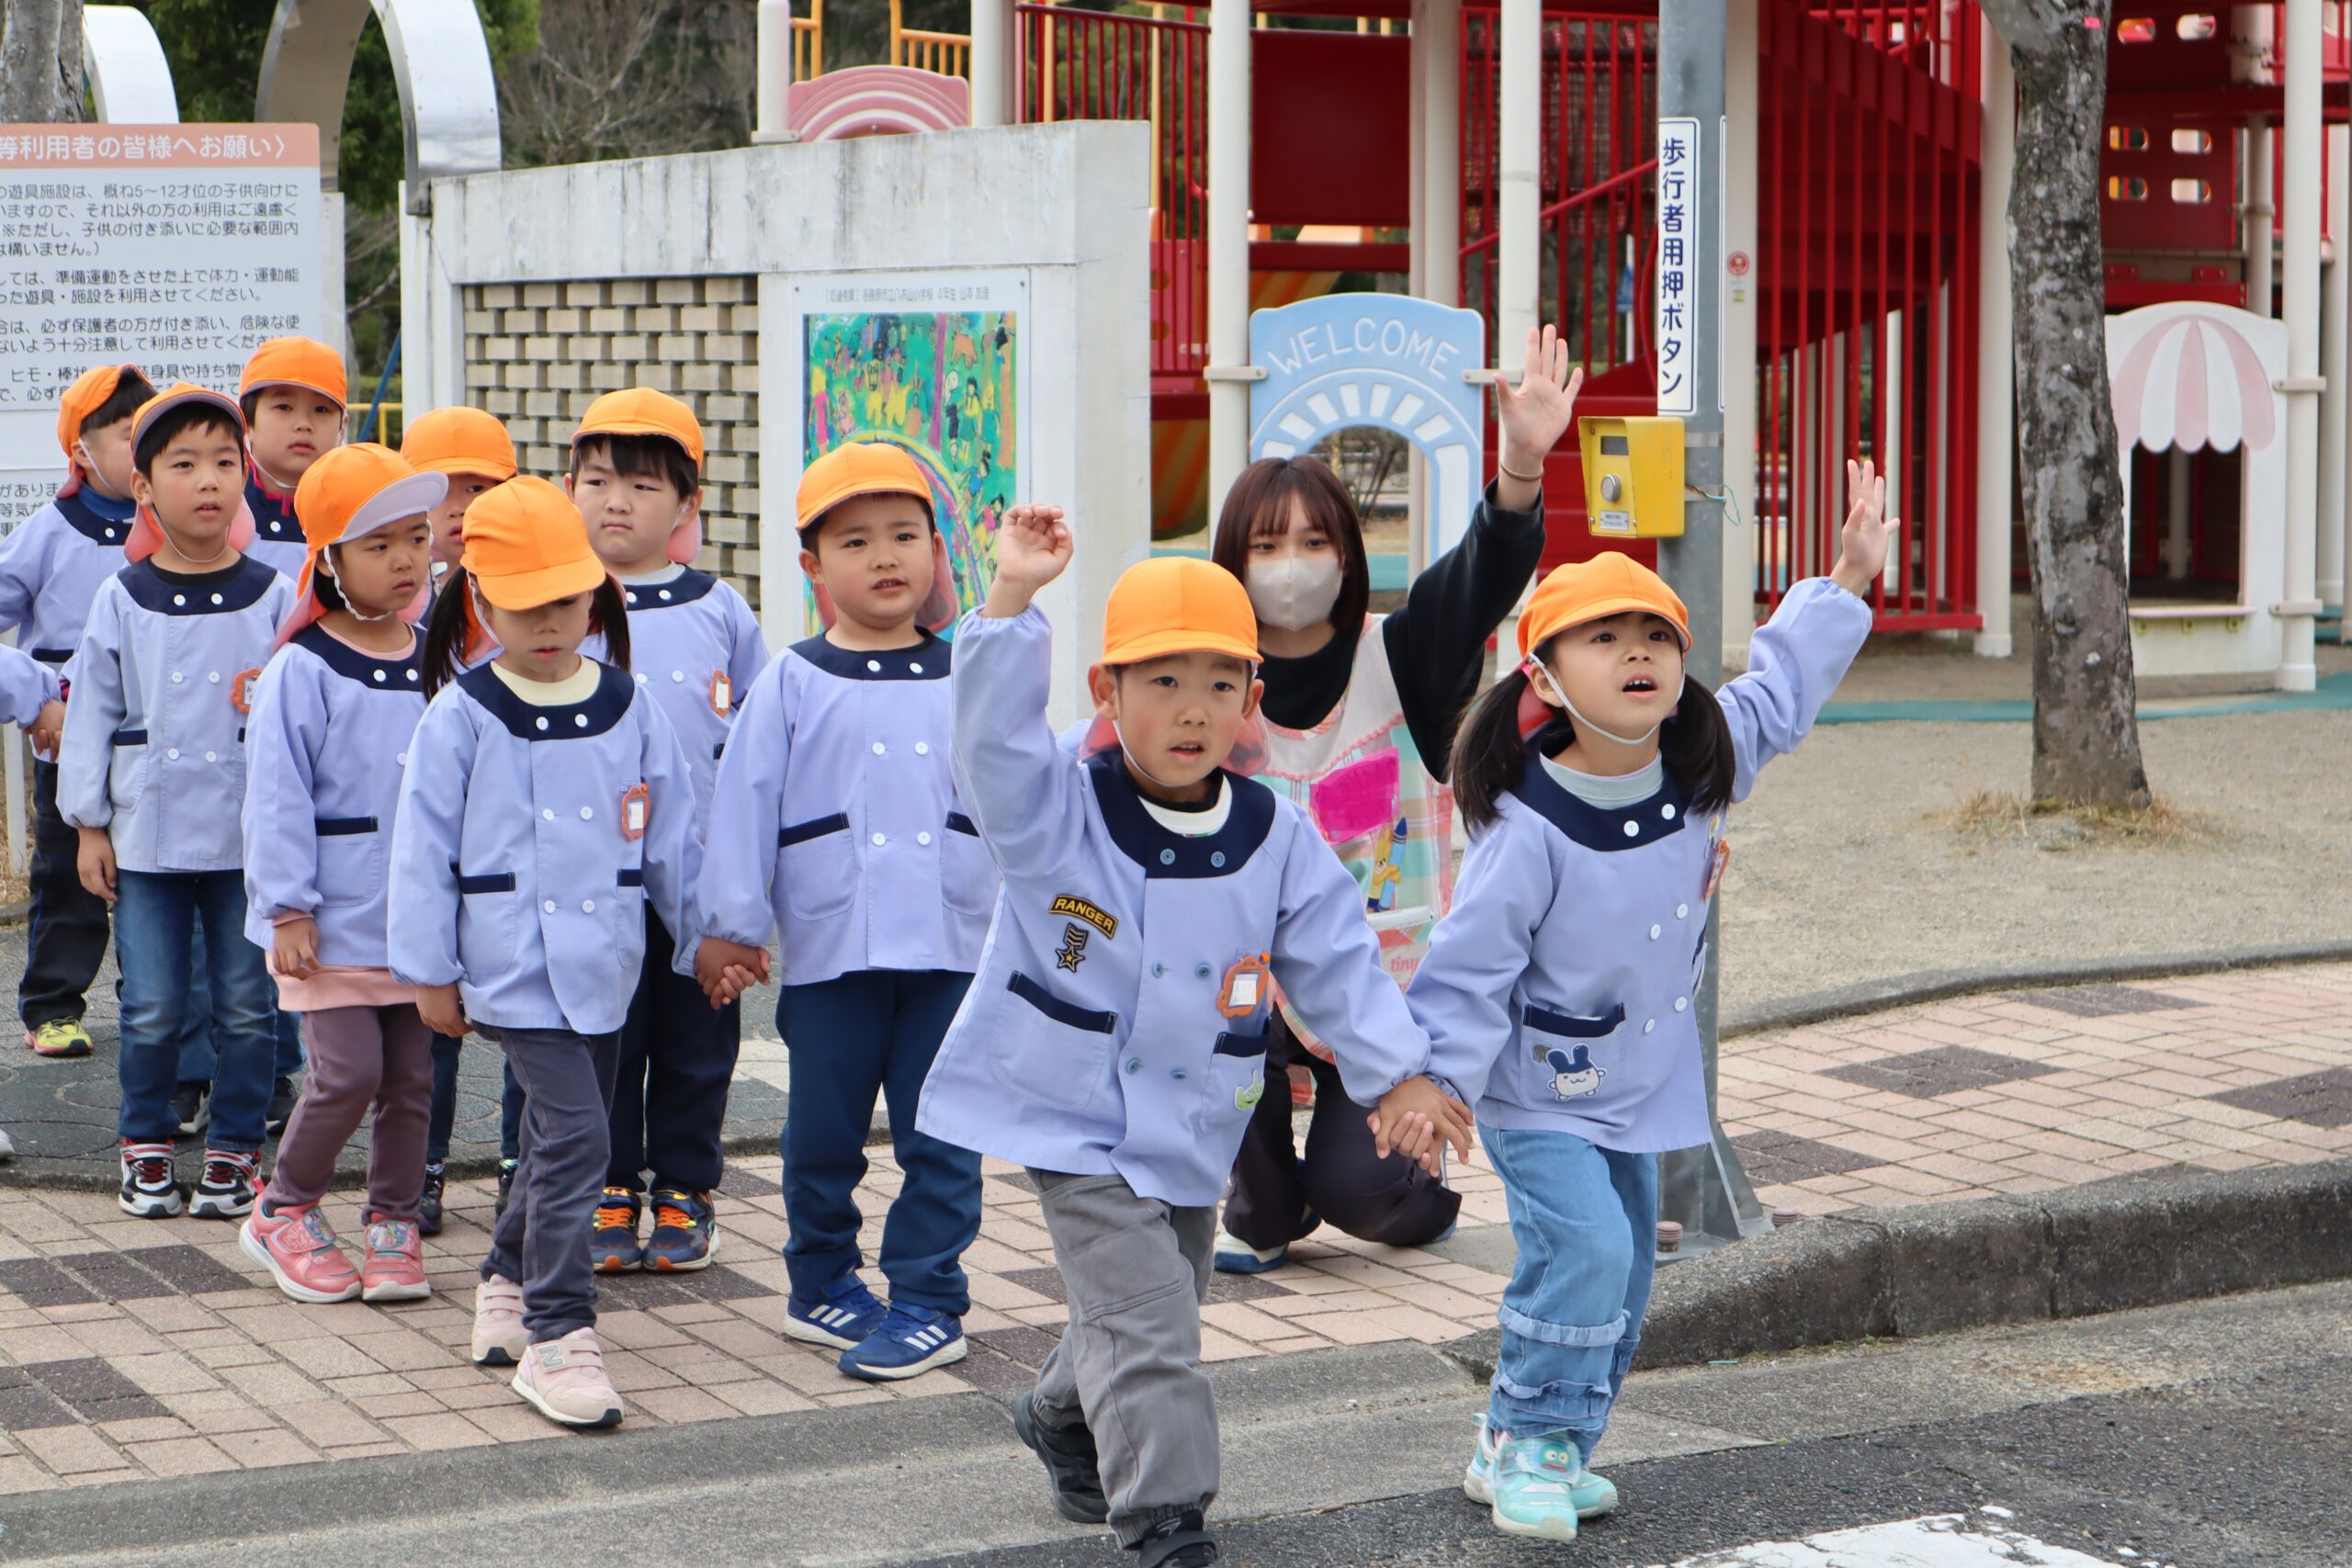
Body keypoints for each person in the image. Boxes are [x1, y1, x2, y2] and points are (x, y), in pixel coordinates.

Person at [914, 512, 1471, 1568]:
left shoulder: (1273, 833)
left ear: (1252, 702)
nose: (1191, 708)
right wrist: (1009, 602)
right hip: (1076, 1117)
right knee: (1152, 1323)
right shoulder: (1053, 810)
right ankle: (1166, 1522)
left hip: (1194, 1120)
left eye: (1220, 683)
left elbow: (1338, 960)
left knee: (1155, 1300)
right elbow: (987, 750)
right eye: (1161, 680)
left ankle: (1059, 1413)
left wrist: (1397, 1074)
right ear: (1105, 692)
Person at [1409, 461, 1894, 1543]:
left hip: (1637, 1087)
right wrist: (1434, 1082)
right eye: (1604, 637)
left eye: (1656, 637)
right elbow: (1467, 966)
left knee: (1625, 1270)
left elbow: (1780, 689)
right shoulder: (1524, 827)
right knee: (1584, 1253)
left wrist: (1846, 578)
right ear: (1543, 676)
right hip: (1536, 1092)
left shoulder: (1698, 765)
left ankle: (1529, 1440)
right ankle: (1534, 1442)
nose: (1638, 652)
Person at [1213, 324, 1580, 1272]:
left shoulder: (1404, 656)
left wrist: (1521, 466)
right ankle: (1262, 1203)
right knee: (1254, 1182)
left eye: (1314, 540)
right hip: (1246, 984)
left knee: (1362, 1193)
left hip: (1383, 987)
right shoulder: (1206, 684)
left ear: (1348, 553)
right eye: (1265, 544)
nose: (1291, 562)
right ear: (1231, 562)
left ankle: (1409, 1185)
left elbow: (1480, 577)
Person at [389, 476, 698, 1430]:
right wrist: (428, 971)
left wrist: (706, 937)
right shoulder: (460, 714)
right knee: (582, 1142)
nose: (551, 622)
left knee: (553, 1140)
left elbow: (672, 835)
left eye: (566, 599)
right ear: (481, 602)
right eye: (525, 606)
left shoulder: (629, 703)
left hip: (607, 964)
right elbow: (420, 850)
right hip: (512, 966)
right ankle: (559, 1332)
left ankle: (505, 1275)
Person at [693, 440, 985, 1378]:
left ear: (936, 550)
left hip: (952, 948)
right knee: (821, 1135)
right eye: (855, 542)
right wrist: (731, 928)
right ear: (812, 566)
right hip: (831, 950)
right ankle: (819, 1284)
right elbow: (743, 805)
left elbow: (1022, 795)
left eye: (904, 535)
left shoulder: (970, 673)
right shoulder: (791, 678)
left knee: (945, 1135)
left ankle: (929, 1297)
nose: (885, 556)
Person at [58, 385, 297, 1220]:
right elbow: (91, 713)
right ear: (144, 486)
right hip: (146, 835)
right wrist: (88, 824)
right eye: (184, 464)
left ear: (245, 479)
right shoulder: (122, 596)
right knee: (152, 1004)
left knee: (248, 1005)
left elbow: (295, 724)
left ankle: (235, 1150)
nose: (208, 480)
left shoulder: (275, 593)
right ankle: (146, 1143)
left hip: (247, 840)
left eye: (225, 462)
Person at [556, 389, 766, 1273]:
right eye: (597, 480)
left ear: (686, 505)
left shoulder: (721, 609)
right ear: (568, 487)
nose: (616, 501)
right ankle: (605, 1182)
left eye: (643, 486)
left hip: (699, 875)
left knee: (696, 1039)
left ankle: (686, 1185)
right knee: (600, 1035)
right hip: (587, 874)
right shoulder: (556, 602)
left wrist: (752, 885)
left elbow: (759, 743)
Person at [237, 445, 441, 1304]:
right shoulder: (303, 666)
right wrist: (287, 907)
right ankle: (283, 1206)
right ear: (329, 561)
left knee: (413, 1078)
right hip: (328, 922)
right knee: (349, 1072)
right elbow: (275, 795)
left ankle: (393, 1219)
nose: (405, 560)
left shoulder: (440, 655)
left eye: (417, 538)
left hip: (417, 922)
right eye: (378, 544)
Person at [0, 363, 153, 1060]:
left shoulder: (178, 529)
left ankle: (152, 1003)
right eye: (126, 435)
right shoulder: (47, 532)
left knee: (155, 879)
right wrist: (33, 692)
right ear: (81, 451)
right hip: (67, 745)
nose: (143, 449)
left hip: (157, 746)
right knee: (67, 880)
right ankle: (53, 1007)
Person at [398, 403, 520, 1234]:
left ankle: (521, 1167)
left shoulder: (531, 606)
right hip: (437, 845)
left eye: (483, 488)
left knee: (526, 1019)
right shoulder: (393, 601)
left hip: (515, 845)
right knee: (429, 1026)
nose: (463, 508)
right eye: (445, 490)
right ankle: (423, 1167)